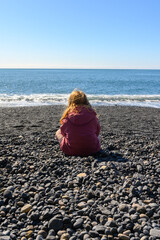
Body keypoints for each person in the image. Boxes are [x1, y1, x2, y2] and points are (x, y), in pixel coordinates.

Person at [56, 89, 101, 156]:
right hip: (92, 149)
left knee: (58, 132)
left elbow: (63, 133)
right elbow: (97, 132)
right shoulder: (92, 115)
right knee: (95, 134)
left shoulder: (68, 116)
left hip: (71, 150)